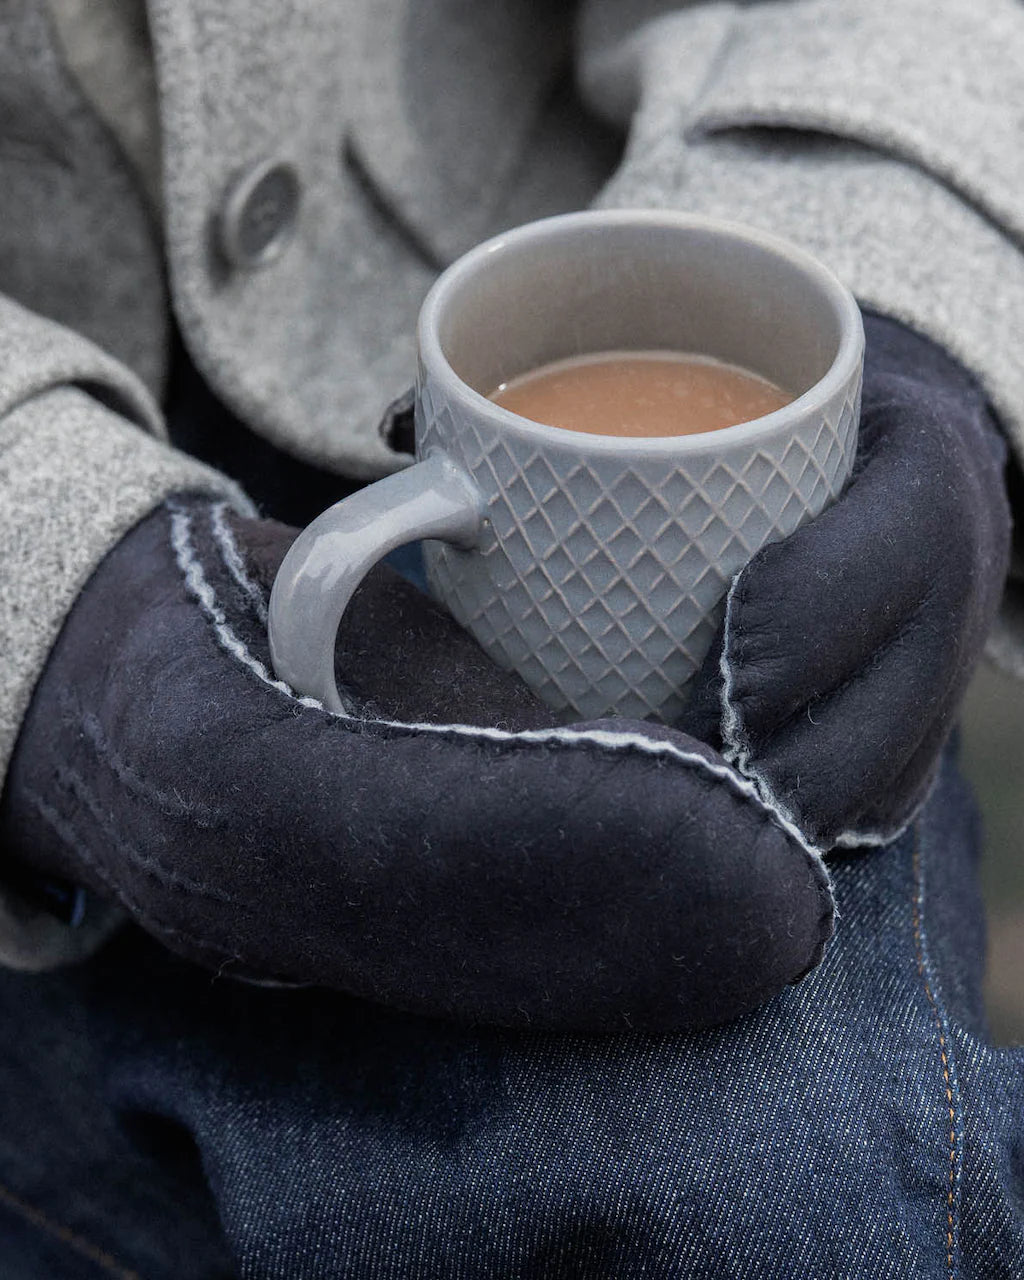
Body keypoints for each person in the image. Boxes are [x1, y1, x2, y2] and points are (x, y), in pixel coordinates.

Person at [0, 0, 1020, 1274]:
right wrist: (48, 593)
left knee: (797, 1172)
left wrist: (897, 248)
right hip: (78, 544)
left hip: (678, 206)